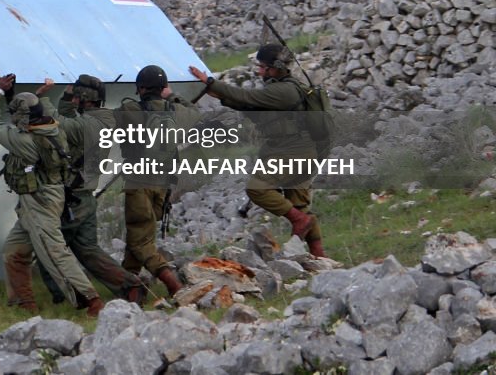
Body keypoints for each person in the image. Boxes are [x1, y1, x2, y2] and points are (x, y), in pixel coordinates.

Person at [0, 74, 105, 316]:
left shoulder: (26, 141)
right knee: (13, 250)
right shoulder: (52, 128)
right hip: (38, 199)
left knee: (54, 251)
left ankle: (92, 301)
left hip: (41, 200)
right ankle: (23, 304)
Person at [188, 45, 326, 257]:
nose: (260, 72)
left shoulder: (284, 91)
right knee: (299, 205)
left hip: (293, 151)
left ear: (276, 68)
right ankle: (320, 258)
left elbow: (248, 97)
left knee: (257, 189)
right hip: (302, 151)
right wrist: (220, 95)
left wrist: (210, 82)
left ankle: (300, 222)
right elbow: (252, 106)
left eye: (263, 67)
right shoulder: (284, 88)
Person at [34, 75, 148, 306]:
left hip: (72, 200)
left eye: (77, 95)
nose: (74, 99)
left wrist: (40, 99)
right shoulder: (101, 119)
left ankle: (66, 297)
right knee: (88, 251)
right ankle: (130, 285)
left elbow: (57, 124)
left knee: (50, 248)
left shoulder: (87, 126)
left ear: (84, 99)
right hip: (84, 196)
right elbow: (68, 118)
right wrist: (67, 97)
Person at [113, 65, 200, 297]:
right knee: (140, 237)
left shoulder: (129, 109)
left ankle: (174, 286)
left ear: (140, 88)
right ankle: (128, 291)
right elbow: (195, 111)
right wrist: (171, 95)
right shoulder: (178, 112)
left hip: (138, 182)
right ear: (163, 88)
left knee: (140, 240)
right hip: (163, 184)